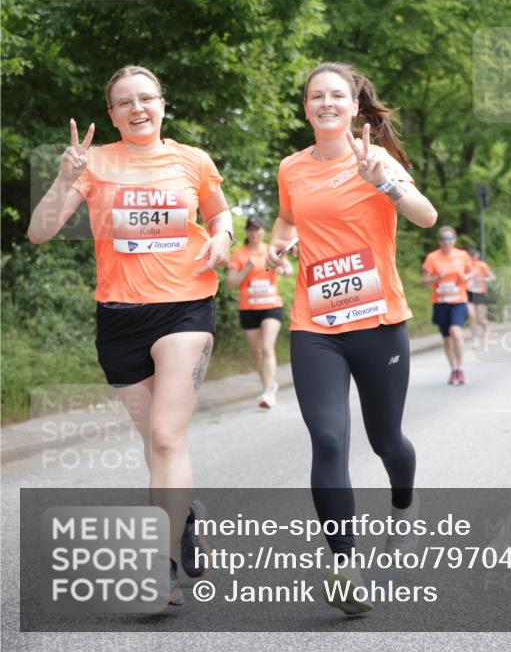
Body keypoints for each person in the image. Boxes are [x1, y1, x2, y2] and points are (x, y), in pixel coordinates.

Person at [28, 65, 234, 606]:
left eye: (146, 98)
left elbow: (219, 213)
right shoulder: (94, 163)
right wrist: (63, 178)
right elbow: (40, 231)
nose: (137, 108)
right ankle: (186, 520)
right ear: (113, 115)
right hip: (119, 317)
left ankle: (163, 569)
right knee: (153, 443)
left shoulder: (193, 160)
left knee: (166, 437)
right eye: (125, 102)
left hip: (185, 309)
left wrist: (224, 236)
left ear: (163, 103)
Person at [265, 61, 437, 615]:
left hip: (379, 323)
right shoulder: (292, 168)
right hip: (316, 326)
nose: (326, 103)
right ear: (306, 107)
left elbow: (426, 216)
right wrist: (278, 246)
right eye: (316, 96)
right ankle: (345, 567)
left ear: (355, 106)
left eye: (337, 95)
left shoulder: (377, 158)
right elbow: (286, 220)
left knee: (387, 441)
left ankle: (403, 496)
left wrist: (381, 180)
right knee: (329, 439)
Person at [227, 214, 292, 408]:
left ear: (263, 231)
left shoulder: (270, 249)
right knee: (257, 353)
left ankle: (268, 393)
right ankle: (268, 386)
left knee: (266, 347)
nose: (253, 233)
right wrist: (246, 268)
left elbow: (289, 270)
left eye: (257, 229)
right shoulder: (239, 255)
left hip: (271, 306)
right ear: (247, 232)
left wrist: (280, 270)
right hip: (248, 309)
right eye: (250, 229)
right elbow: (230, 284)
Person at [422, 228, 474, 383]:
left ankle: (461, 368)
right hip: (440, 302)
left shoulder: (462, 255)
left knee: (455, 332)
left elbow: (472, 272)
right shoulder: (432, 257)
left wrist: (466, 276)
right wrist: (436, 278)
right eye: (443, 239)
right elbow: (424, 281)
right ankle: (453, 369)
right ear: (439, 241)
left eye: (449, 239)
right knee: (446, 339)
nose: (446, 242)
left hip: (458, 301)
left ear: (454, 240)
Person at [465, 247, 496, 350]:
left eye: (473, 255)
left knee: (480, 319)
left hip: (479, 293)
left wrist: (484, 279)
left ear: (477, 255)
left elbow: (492, 277)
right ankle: (475, 340)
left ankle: (487, 328)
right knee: (472, 317)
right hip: (468, 292)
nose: (472, 257)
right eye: (470, 256)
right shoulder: (465, 265)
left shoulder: (482, 265)